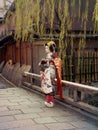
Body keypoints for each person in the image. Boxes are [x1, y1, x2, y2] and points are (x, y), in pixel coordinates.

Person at [39, 41, 57, 107]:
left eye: (47, 48)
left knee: (50, 86)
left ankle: (51, 101)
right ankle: (48, 100)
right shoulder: (48, 55)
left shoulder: (52, 55)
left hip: (50, 72)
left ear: (50, 48)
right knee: (47, 86)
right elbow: (46, 63)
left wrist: (43, 62)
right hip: (47, 72)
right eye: (45, 48)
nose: (45, 49)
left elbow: (49, 63)